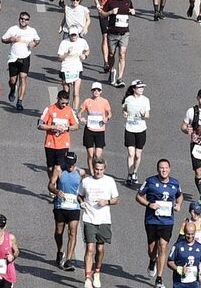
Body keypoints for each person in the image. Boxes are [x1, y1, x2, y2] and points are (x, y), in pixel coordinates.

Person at [137, 158, 184, 288]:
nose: (164, 170)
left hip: (167, 221)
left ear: (170, 169)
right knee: (152, 248)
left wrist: (179, 205)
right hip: (151, 220)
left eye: (166, 168)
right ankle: (152, 261)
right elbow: (138, 196)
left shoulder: (175, 183)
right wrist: (149, 204)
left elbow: (180, 196)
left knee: (163, 246)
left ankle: (159, 278)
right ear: (158, 169)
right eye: (161, 168)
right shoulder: (150, 181)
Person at [78, 158, 120, 288]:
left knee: (100, 248)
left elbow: (116, 199)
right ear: (93, 168)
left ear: (104, 169)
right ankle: (87, 277)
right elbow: (79, 195)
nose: (98, 172)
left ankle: (97, 272)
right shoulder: (86, 181)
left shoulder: (109, 181)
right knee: (90, 248)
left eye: (101, 170)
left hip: (104, 220)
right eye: (96, 169)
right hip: (89, 218)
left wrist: (106, 202)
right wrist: (81, 202)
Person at [48, 150, 84, 271]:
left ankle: (69, 260)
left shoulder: (80, 172)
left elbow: (85, 187)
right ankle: (60, 251)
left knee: (72, 232)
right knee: (59, 232)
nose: (70, 166)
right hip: (60, 205)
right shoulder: (58, 170)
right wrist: (57, 191)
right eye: (68, 163)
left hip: (74, 206)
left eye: (72, 164)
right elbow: (51, 185)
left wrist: (82, 198)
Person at [2, 11, 40, 109]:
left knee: (23, 77)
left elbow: (37, 40)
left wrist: (34, 44)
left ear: (28, 21)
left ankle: (19, 101)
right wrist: (11, 39)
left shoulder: (32, 31)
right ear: (19, 19)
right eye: (22, 19)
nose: (23, 21)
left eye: (26, 19)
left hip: (25, 57)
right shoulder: (13, 29)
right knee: (12, 80)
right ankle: (12, 89)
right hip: (14, 57)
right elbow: (3, 39)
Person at [39, 90, 80, 173]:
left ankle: (58, 185)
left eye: (67, 103)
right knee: (50, 168)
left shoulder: (69, 110)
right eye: (63, 103)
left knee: (59, 168)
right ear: (58, 99)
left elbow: (76, 126)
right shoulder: (50, 109)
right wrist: (52, 127)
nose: (64, 105)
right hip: (50, 144)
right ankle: (52, 183)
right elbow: (40, 125)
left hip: (63, 144)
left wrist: (67, 128)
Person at [121, 79, 150, 185]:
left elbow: (147, 115)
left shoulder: (145, 100)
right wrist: (124, 113)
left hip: (141, 129)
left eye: (143, 87)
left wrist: (143, 115)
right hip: (130, 129)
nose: (142, 89)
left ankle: (135, 172)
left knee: (138, 154)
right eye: (139, 87)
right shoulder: (128, 99)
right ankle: (129, 174)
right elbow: (124, 109)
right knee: (131, 153)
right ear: (134, 89)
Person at [168, 219, 201, 288]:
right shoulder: (177, 246)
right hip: (179, 284)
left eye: (192, 234)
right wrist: (179, 269)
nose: (190, 236)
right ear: (184, 232)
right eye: (188, 234)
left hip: (194, 284)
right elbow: (169, 262)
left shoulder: (200, 248)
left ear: (195, 233)